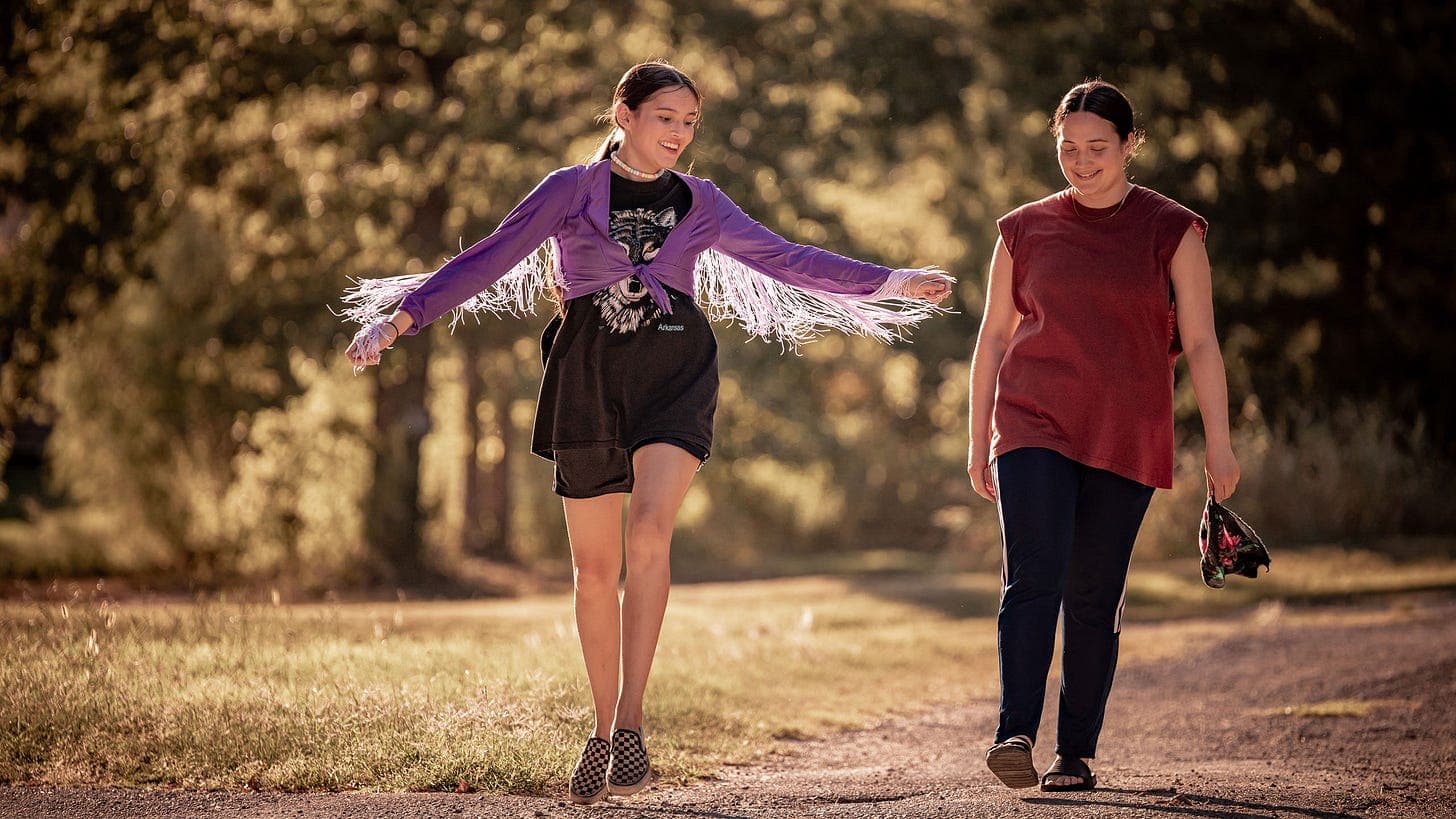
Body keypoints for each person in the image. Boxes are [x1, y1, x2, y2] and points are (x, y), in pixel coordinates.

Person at [341, 61, 953, 804]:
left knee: (650, 534)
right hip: (587, 378)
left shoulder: (704, 200)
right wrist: (401, 316)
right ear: (622, 114)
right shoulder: (570, 190)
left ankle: (631, 718)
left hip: (675, 373)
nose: (680, 133)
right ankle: (601, 731)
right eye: (666, 116)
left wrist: (890, 280)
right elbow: (487, 257)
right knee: (594, 571)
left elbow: (789, 258)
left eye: (690, 121)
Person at [967, 80, 1239, 793]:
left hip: (1127, 429)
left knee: (1093, 591)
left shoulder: (1172, 229)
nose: (1081, 161)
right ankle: (1014, 733)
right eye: (1068, 147)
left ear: (1129, 145)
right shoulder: (1022, 229)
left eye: (1097, 147)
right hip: (1031, 420)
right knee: (1033, 576)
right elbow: (994, 338)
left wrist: (1220, 443)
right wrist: (977, 436)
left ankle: (1075, 751)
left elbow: (1203, 343)